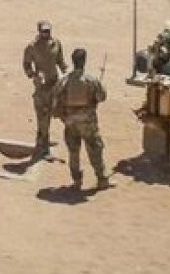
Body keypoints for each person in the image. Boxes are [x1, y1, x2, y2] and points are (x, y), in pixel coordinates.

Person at [52, 48, 109, 189]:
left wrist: (63, 116)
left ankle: (77, 180)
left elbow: (55, 98)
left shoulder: (64, 80)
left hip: (70, 122)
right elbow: (101, 97)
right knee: (95, 149)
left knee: (73, 152)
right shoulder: (91, 80)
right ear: (84, 61)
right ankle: (102, 179)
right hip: (88, 122)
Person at [22, 20, 66, 157]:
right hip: (42, 87)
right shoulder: (32, 47)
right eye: (44, 31)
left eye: (48, 31)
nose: (46, 33)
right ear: (39, 31)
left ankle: (42, 141)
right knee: (43, 117)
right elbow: (26, 64)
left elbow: (60, 61)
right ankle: (43, 147)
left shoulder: (56, 43)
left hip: (54, 83)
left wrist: (66, 71)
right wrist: (33, 75)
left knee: (57, 112)